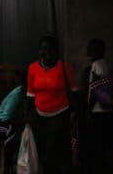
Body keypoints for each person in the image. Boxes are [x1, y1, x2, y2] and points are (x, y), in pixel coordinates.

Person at [25, 34, 78, 174]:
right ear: (39, 51)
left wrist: (76, 114)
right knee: (44, 153)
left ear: (56, 50)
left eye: (50, 49)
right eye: (43, 49)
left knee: (58, 153)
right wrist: (28, 116)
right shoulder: (32, 68)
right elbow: (30, 94)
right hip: (40, 118)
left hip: (60, 116)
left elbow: (74, 91)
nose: (46, 52)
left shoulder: (64, 67)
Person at [80, 39, 113, 174]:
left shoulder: (95, 66)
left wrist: (88, 109)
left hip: (98, 112)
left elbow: (94, 90)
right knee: (110, 145)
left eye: (93, 50)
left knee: (99, 147)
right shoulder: (108, 65)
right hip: (110, 111)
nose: (90, 52)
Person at [0, 79, 26, 174]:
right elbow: (5, 118)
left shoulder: (29, 94)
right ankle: (7, 168)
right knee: (11, 131)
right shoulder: (18, 94)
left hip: (13, 124)